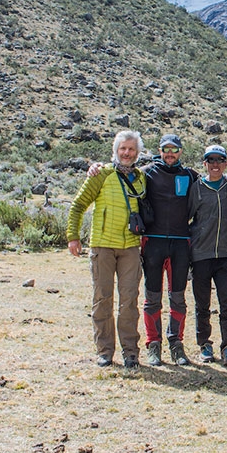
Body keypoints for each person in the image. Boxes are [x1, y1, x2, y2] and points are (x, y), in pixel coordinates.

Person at [66, 130, 146, 369]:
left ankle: (130, 353)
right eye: (123, 148)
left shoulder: (142, 178)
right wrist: (73, 237)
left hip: (131, 247)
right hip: (102, 245)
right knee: (102, 299)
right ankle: (104, 351)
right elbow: (79, 204)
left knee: (129, 301)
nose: (127, 153)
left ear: (137, 153)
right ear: (116, 150)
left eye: (131, 149)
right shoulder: (100, 174)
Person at [140, 134, 198, 367]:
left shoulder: (190, 175)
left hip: (180, 243)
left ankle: (176, 345)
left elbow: (215, 184)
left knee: (178, 298)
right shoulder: (146, 173)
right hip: (153, 242)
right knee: (152, 298)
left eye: (175, 149)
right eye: (166, 149)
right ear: (160, 150)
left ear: (181, 152)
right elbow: (120, 173)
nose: (170, 153)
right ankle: (153, 345)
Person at [187, 144, 227, 367]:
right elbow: (187, 217)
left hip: (225, 255)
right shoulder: (197, 188)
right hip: (200, 255)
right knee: (202, 304)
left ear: (226, 163)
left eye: (220, 160)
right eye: (211, 160)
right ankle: (205, 345)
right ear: (205, 164)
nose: (215, 164)